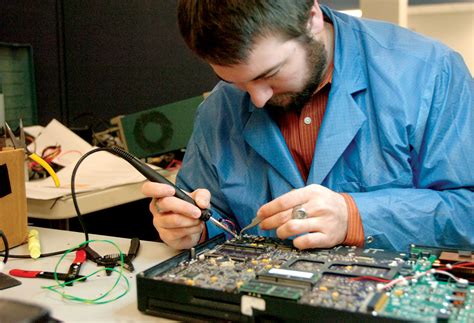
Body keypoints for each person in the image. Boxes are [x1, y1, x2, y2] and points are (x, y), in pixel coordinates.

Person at [142, 0, 473, 252]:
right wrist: (192, 228)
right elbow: (214, 215)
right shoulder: (220, 105)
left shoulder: (430, 72)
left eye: (269, 75)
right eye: (235, 81)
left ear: (312, 19)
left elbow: (467, 213)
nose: (256, 100)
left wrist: (354, 216)